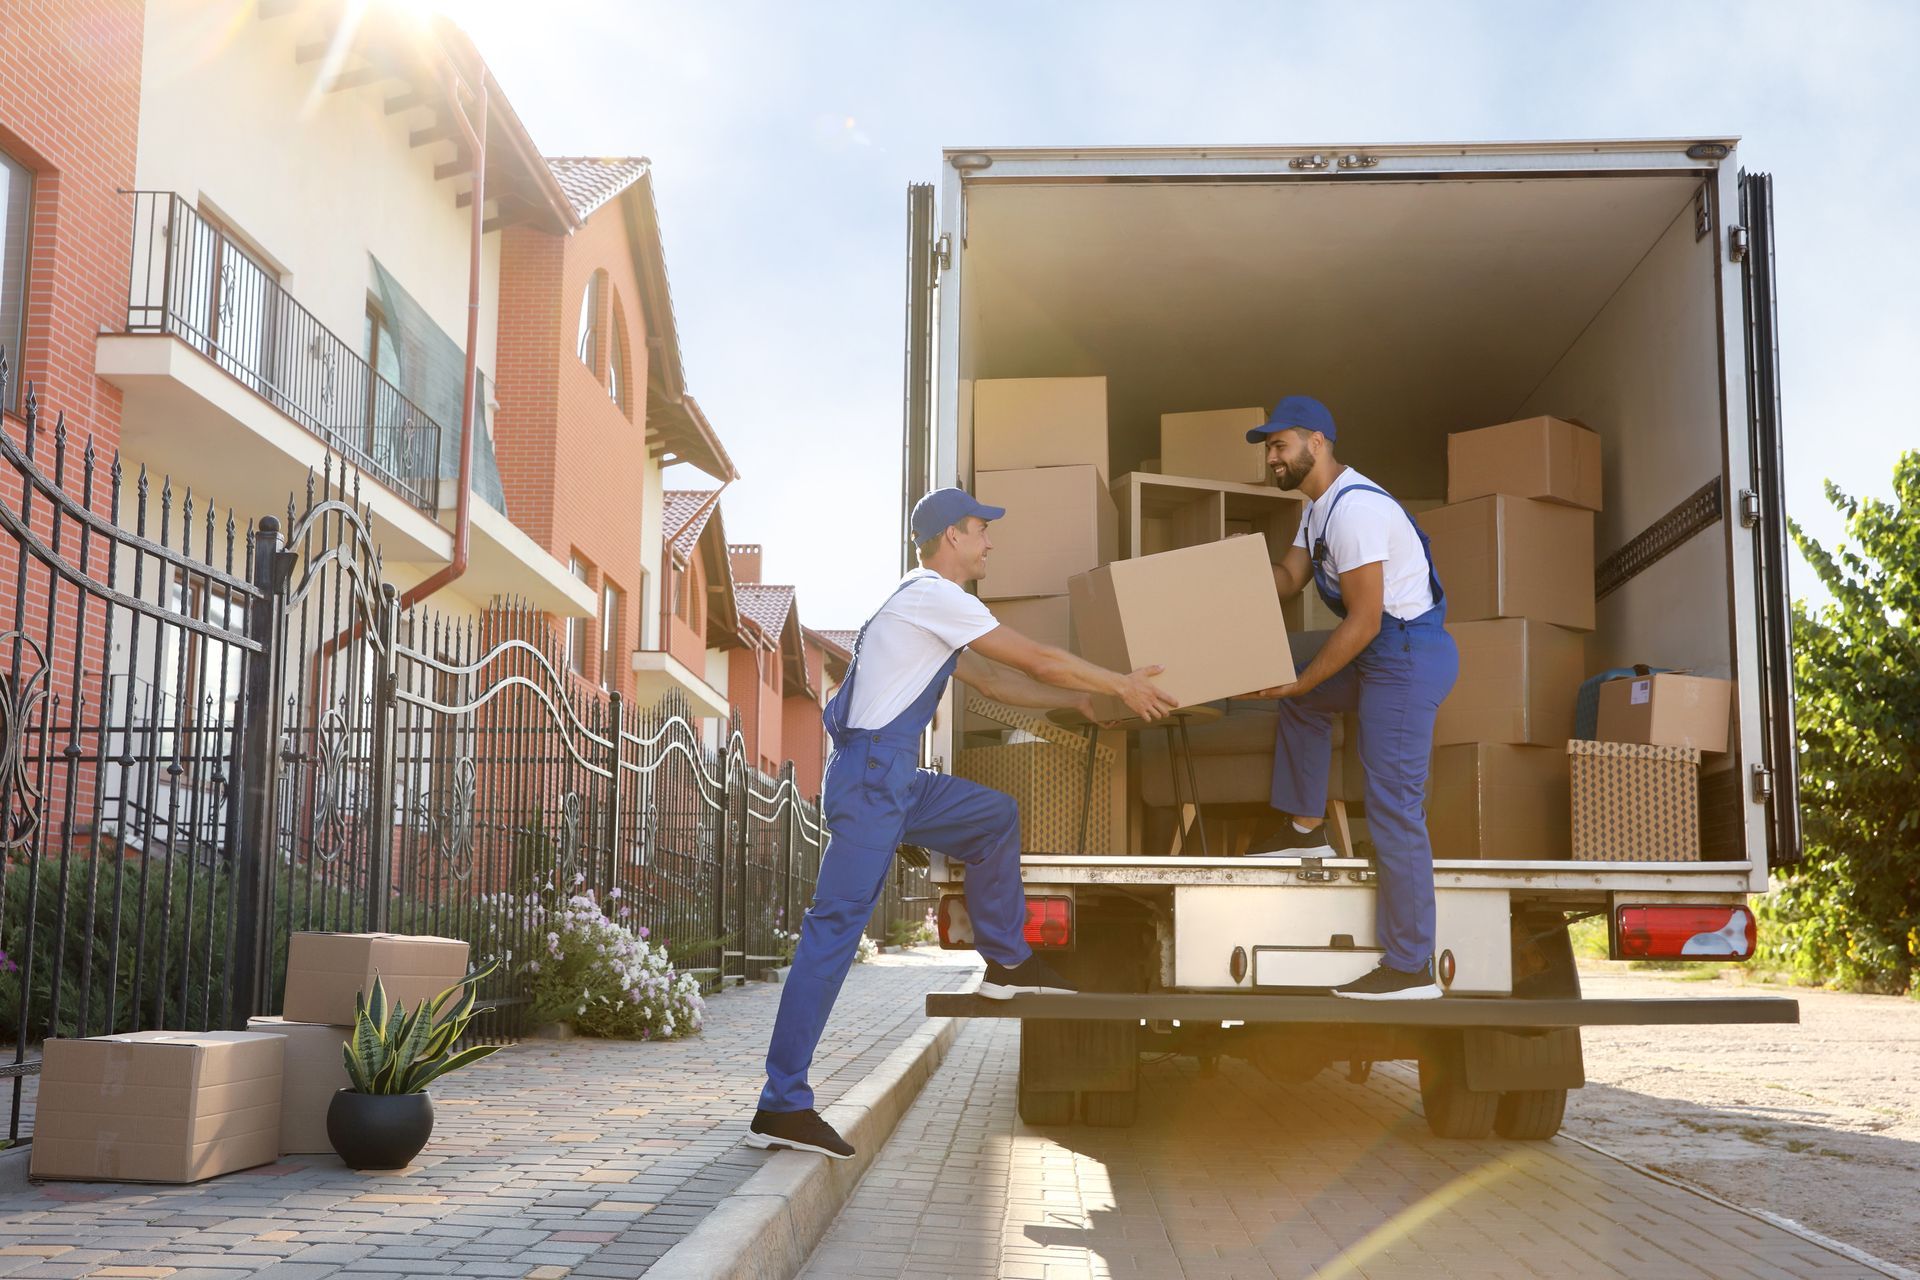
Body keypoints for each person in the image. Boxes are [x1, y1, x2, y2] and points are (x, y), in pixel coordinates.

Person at [746, 487, 1179, 1159]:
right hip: (870, 780)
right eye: (981, 531)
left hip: (891, 779)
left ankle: (1007, 963)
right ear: (951, 537)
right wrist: (1120, 683)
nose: (989, 543)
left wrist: (1083, 701)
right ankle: (783, 1102)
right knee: (833, 932)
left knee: (991, 816)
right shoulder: (931, 594)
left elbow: (999, 685)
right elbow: (1030, 657)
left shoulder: (932, 610)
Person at [1241, 395, 1458, 1001]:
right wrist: (1226, 572)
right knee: (1301, 704)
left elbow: (1362, 622)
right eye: (1268, 450)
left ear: (1317, 441)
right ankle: (1306, 828)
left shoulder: (1354, 510)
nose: (1272, 459)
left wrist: (1304, 676)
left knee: (1394, 805)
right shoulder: (1317, 511)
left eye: (1279, 445)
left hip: (1406, 656)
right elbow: (1288, 580)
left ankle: (1412, 964)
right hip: (1381, 652)